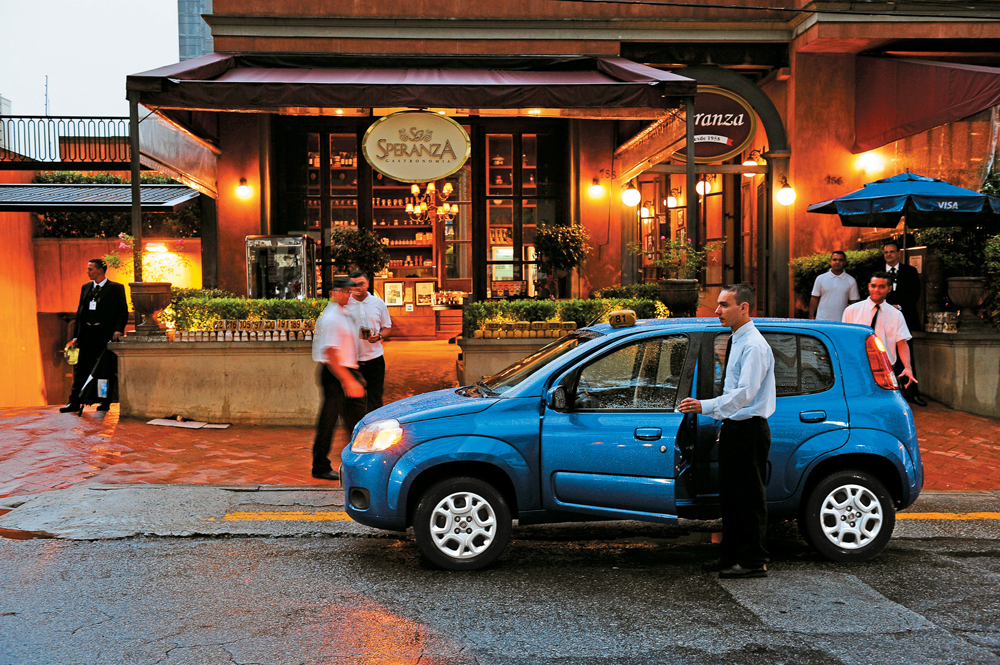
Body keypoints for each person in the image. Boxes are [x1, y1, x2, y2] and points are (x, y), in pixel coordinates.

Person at [678, 283, 776, 579]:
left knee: (748, 499)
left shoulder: (754, 345)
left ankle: (753, 561)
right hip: (735, 428)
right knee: (731, 499)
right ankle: (730, 556)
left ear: (743, 308)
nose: (717, 310)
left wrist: (704, 406)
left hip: (749, 429)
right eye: (718, 304)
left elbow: (746, 392)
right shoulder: (737, 339)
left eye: (724, 305)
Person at [311, 276, 367, 482]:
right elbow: (331, 353)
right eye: (343, 291)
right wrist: (348, 380)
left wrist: (355, 374)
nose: (347, 295)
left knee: (355, 420)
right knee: (330, 420)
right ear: (333, 292)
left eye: (348, 291)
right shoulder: (332, 317)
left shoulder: (344, 314)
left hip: (345, 371)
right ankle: (321, 465)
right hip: (335, 373)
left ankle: (357, 463)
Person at [60, 259, 129, 414]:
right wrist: (76, 335)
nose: (88, 272)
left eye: (90, 269)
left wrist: (118, 329)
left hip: (105, 335)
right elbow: (80, 312)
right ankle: (74, 402)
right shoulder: (86, 288)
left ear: (100, 270)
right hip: (87, 335)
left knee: (105, 371)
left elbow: (122, 311)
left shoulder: (115, 288)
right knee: (81, 369)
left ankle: (104, 401)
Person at [843, 272, 920, 400]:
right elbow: (845, 341)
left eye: (881, 286)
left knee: (883, 406)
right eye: (873, 286)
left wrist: (908, 367)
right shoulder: (851, 311)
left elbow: (902, 343)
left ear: (889, 289)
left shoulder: (896, 314)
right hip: (857, 369)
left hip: (885, 371)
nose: (876, 290)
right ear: (868, 286)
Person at [882, 242, 927, 405]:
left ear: (898, 254)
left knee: (906, 357)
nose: (888, 255)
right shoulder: (878, 272)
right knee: (882, 356)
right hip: (882, 319)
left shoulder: (910, 271)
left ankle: (911, 393)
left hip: (904, 319)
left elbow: (915, 293)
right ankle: (886, 395)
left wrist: (899, 307)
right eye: (886, 252)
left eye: (892, 252)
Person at [346, 269, 392, 413]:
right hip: (352, 361)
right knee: (354, 402)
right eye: (354, 285)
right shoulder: (345, 304)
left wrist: (379, 336)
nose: (358, 287)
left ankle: (375, 431)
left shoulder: (378, 303)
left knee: (375, 399)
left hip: (375, 359)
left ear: (367, 284)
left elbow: (387, 327)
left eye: (361, 283)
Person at [809, 250, 860, 321]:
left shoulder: (851, 281)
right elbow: (814, 298)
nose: (837, 262)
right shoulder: (820, 278)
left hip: (842, 321)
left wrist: (851, 319)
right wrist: (811, 316)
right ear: (830, 261)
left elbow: (853, 303)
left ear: (845, 262)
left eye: (840, 260)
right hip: (821, 321)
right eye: (834, 259)